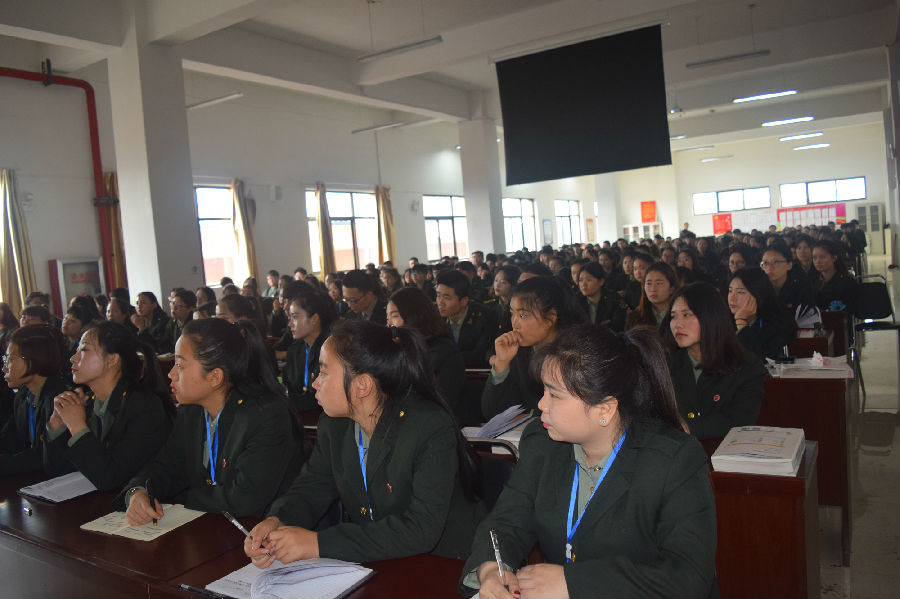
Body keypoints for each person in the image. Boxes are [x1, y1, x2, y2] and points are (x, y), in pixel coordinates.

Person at [461, 324, 717, 599]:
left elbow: (688, 576)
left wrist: (574, 584)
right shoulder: (542, 442)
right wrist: (491, 569)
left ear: (604, 408)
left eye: (554, 395)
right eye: (544, 391)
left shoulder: (673, 459)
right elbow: (507, 522)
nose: (541, 405)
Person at [244, 320, 484, 566]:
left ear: (362, 385)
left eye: (324, 372)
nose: (315, 383)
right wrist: (277, 521)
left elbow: (420, 528)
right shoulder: (334, 425)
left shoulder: (428, 426)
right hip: (378, 558)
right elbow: (312, 487)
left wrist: (317, 543)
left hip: (445, 563)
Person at [119, 318, 304, 522]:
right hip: (214, 525)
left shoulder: (266, 415)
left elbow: (244, 499)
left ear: (215, 377)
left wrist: (178, 498)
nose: (171, 374)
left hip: (263, 529)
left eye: (180, 365)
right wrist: (138, 492)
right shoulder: (192, 411)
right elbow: (166, 467)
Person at [43, 322, 174, 491]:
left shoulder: (144, 406)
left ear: (112, 360)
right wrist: (57, 426)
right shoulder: (88, 402)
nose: (73, 358)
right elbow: (58, 472)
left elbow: (111, 478)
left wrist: (78, 427)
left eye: (84, 350)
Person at [667, 282, 768, 440]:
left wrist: (686, 428)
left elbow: (740, 422)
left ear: (711, 317)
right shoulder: (666, 362)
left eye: (687, 315)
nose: (677, 324)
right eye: (673, 316)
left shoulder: (746, 366)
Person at [482, 277, 586, 419]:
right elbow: (492, 413)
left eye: (522, 315)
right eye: (512, 314)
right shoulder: (518, 352)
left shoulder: (576, 356)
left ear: (551, 317)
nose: (514, 324)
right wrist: (501, 364)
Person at [388, 287, 466, 421]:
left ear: (413, 317)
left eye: (394, 316)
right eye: (387, 318)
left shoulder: (443, 352)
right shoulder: (400, 350)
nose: (389, 323)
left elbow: (440, 405)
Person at [0, 326, 69, 474]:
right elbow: (8, 439)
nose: (4, 369)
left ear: (34, 360)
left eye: (10, 360)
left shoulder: (59, 399)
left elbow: (42, 457)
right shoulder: (23, 395)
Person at [282, 290, 338, 413]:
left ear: (314, 319)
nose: (290, 324)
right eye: (289, 318)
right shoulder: (295, 350)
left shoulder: (331, 351)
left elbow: (323, 398)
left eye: (295, 317)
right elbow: (288, 386)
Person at [728, 268, 795, 360]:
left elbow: (758, 360)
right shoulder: (724, 320)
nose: (732, 298)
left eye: (740, 292)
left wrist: (741, 323)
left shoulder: (777, 324)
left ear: (757, 294)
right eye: (730, 291)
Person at [436, 270, 498, 368]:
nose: (440, 302)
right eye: (438, 296)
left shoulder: (485, 317)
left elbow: (480, 354)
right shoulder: (435, 318)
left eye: (446, 298)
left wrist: (444, 358)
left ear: (464, 301)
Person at [761, 243, 814, 322]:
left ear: (789, 265)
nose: (770, 268)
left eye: (776, 262)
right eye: (766, 263)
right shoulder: (758, 288)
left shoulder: (801, 288)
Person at [626, 261, 679, 334]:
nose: (653, 289)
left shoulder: (680, 317)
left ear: (672, 288)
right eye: (649, 283)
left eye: (659, 283)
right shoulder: (635, 317)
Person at [576, 262, 626, 331]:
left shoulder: (614, 300)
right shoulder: (576, 301)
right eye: (580, 280)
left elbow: (618, 326)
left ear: (601, 281)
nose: (583, 284)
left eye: (588, 280)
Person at [812, 239, 858, 313]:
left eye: (822, 257)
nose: (818, 261)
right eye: (814, 258)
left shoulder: (847, 282)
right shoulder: (812, 281)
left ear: (834, 258)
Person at [490, 265, 521, 338]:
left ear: (513, 285)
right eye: (496, 280)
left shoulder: (519, 306)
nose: (497, 285)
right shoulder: (490, 304)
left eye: (503, 282)